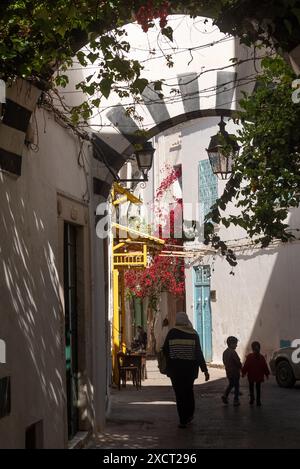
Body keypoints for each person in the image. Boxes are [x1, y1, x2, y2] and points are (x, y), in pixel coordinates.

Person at [163, 312, 210, 428]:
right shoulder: (194, 334)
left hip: (175, 371)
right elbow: (198, 354)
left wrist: (172, 359)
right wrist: (205, 370)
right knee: (188, 392)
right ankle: (189, 415)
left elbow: (165, 350)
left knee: (179, 395)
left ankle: (182, 420)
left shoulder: (172, 333)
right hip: (190, 371)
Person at [242, 341, 270, 406]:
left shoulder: (249, 357)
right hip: (259, 376)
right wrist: (267, 374)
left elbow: (246, 366)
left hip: (251, 376)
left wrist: (243, 373)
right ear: (259, 348)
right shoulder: (261, 357)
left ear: (252, 349)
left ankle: (252, 399)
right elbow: (265, 366)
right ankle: (258, 401)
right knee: (258, 388)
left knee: (251, 387)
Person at [222, 336, 242, 406]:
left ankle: (225, 395)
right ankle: (236, 400)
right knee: (236, 386)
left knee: (231, 384)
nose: (236, 345)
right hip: (235, 372)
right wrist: (241, 367)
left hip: (228, 372)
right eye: (235, 344)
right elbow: (237, 362)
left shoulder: (225, 352)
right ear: (231, 344)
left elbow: (224, 362)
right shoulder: (233, 352)